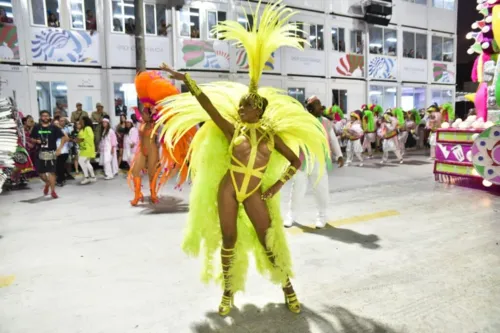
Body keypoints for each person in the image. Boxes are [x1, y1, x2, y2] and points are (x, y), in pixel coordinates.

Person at [157, 1, 328, 316]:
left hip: (253, 192)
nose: (239, 109)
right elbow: (208, 105)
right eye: (239, 106)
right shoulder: (231, 128)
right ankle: (227, 294)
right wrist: (186, 80)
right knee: (229, 240)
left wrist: (275, 188)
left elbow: (296, 162)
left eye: (245, 107)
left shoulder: (271, 135)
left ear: (258, 110)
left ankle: (288, 287)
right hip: (228, 188)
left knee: (269, 240)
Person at [285, 95, 343, 229]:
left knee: (321, 190)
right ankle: (291, 215)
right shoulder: (300, 121)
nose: (316, 107)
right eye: (311, 106)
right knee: (297, 189)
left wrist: (339, 155)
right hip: (303, 160)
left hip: (319, 161)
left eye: (316, 105)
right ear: (308, 108)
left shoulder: (326, 122)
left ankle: (322, 216)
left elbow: (333, 139)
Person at [30, 110, 68, 198]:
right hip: (40, 152)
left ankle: (53, 191)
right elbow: (31, 138)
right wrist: (36, 141)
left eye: (47, 115)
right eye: (43, 116)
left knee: (52, 172)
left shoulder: (54, 127)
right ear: (40, 117)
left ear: (49, 117)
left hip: (51, 152)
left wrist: (59, 149)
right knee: (41, 173)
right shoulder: (36, 127)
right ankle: (47, 183)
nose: (45, 117)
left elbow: (64, 137)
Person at [75, 116, 96, 184]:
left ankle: (86, 177)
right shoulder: (83, 129)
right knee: (87, 163)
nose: (80, 122)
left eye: (81, 120)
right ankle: (93, 177)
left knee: (81, 161)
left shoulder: (88, 128)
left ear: (84, 121)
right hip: (83, 148)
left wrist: (81, 139)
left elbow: (90, 137)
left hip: (87, 148)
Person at [53, 117, 71, 186]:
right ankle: (61, 179)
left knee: (59, 167)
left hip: (63, 151)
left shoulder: (62, 130)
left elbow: (67, 139)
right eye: (55, 124)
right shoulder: (54, 131)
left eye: (57, 123)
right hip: (57, 151)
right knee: (59, 166)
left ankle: (60, 180)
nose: (56, 125)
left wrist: (59, 149)